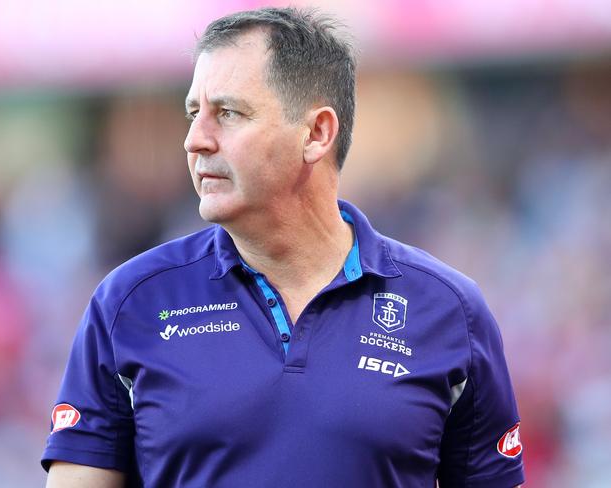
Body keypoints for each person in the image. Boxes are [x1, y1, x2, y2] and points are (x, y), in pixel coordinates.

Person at [42, 7, 524, 487]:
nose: (195, 140)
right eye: (194, 113)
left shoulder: (449, 311)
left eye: (228, 113)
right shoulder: (130, 303)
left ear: (316, 133)